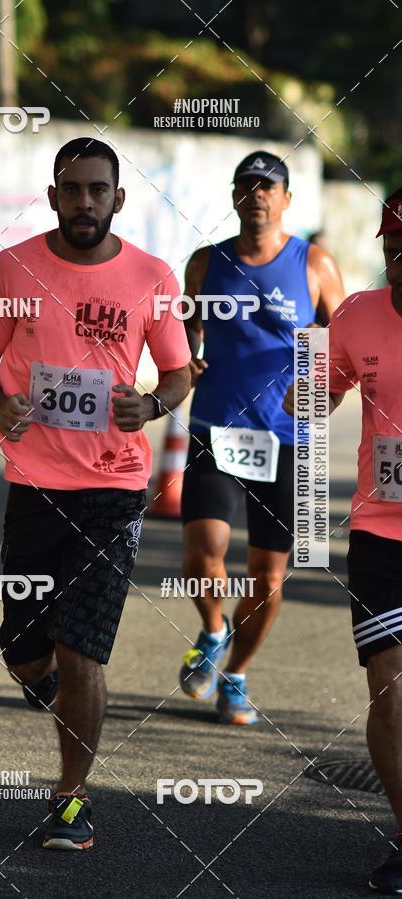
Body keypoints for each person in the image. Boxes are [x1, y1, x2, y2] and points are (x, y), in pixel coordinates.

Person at [0, 137, 191, 850]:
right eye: (73, 189)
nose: (85, 202)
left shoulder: (152, 276)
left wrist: (150, 406)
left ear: (117, 198)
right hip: (34, 484)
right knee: (24, 650)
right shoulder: (13, 268)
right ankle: (44, 684)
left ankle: (71, 799)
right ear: (53, 196)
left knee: (81, 650)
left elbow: (179, 372)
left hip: (114, 487)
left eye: (98, 190)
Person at [178, 150, 345, 724]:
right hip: (216, 428)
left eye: (268, 187)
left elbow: (341, 342)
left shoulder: (315, 264)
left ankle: (238, 674)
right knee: (203, 550)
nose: (257, 196)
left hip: (288, 439)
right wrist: (188, 359)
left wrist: (320, 374)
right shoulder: (206, 263)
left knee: (268, 574)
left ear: (286, 199)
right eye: (247, 186)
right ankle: (213, 629)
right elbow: (187, 328)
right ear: (234, 197)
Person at [284, 188, 402, 894]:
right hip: (380, 530)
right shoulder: (357, 314)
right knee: (388, 682)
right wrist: (307, 397)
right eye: (397, 246)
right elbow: (325, 387)